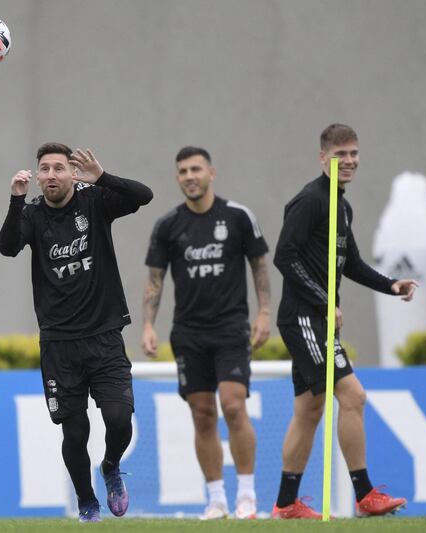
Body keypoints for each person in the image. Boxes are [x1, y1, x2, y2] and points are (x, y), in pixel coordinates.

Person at [0, 143, 153, 522]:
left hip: (104, 334)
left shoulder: (94, 200)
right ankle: (87, 504)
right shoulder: (32, 212)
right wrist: (15, 201)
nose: (51, 175)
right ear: (38, 176)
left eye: (59, 168)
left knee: (118, 419)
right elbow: (7, 248)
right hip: (58, 343)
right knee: (74, 430)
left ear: (72, 173)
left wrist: (102, 176)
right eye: (45, 169)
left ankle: (111, 466)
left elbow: (143, 196)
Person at [271, 124, 418, 519]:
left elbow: (349, 263)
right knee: (353, 396)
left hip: (317, 318)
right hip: (304, 318)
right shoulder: (310, 201)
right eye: (341, 155)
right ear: (323, 158)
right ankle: (365, 494)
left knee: (309, 410)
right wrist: (323, 302)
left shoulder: (342, 205)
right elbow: (284, 257)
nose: (349, 160)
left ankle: (285, 504)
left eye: (354, 153)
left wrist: (391, 285)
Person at [141, 146, 271, 520]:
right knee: (202, 414)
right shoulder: (168, 226)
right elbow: (155, 280)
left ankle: (247, 495)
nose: (189, 176)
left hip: (231, 327)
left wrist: (263, 313)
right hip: (188, 332)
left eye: (196, 169)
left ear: (211, 172)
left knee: (233, 405)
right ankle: (216, 500)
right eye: (182, 171)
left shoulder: (238, 217)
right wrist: (149, 324)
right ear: (177, 177)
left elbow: (259, 266)